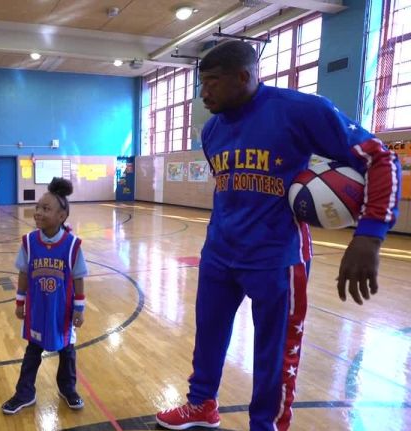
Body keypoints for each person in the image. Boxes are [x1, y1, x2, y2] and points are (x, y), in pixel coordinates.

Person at [155, 41, 401, 431]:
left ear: (244, 76)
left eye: (213, 82)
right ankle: (202, 404)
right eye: (202, 83)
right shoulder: (212, 130)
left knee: (275, 353)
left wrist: (369, 235)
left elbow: (380, 157)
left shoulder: (302, 110)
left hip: (277, 257)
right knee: (209, 336)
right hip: (219, 252)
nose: (204, 93)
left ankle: (265, 425)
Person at [1, 177, 89, 415]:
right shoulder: (29, 242)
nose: (38, 212)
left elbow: (79, 278)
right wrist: (20, 302)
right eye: (38, 207)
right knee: (33, 351)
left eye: (45, 209)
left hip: (63, 311)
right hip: (38, 310)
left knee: (67, 352)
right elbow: (23, 273)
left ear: (62, 217)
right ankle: (25, 393)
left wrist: (80, 309)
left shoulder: (72, 245)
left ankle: (67, 389)